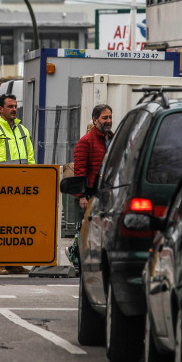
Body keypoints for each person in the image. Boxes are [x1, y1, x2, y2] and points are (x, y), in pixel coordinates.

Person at [0, 93, 35, 275]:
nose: (13, 109)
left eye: (15, 106)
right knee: (0, 228)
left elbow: (30, 160)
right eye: (9, 106)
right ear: (0, 109)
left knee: (18, 227)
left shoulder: (23, 131)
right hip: (0, 190)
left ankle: (14, 262)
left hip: (21, 189)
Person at [66, 104, 113, 273]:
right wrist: (82, 196)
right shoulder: (85, 142)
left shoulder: (113, 139)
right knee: (87, 231)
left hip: (109, 195)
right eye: (104, 118)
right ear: (95, 120)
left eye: (109, 117)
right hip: (91, 195)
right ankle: (77, 257)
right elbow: (80, 171)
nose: (108, 121)